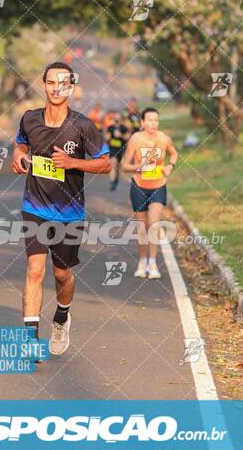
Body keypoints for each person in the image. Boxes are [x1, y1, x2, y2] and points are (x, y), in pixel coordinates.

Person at [12, 62, 111, 356]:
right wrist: (17, 156)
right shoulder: (29, 119)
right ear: (43, 85)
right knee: (34, 269)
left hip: (69, 213)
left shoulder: (82, 126)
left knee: (62, 275)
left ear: (70, 88)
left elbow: (105, 164)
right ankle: (30, 339)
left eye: (63, 83)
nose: (56, 88)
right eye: (51, 82)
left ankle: (62, 316)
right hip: (35, 206)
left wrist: (74, 163)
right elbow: (20, 145)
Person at [121, 107, 178, 279]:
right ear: (142, 122)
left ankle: (153, 262)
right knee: (142, 228)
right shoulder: (136, 139)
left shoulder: (164, 138)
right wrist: (140, 167)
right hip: (139, 186)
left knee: (154, 223)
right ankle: (142, 261)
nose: (153, 123)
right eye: (150, 120)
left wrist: (169, 166)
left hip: (158, 186)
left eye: (156, 120)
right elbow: (124, 165)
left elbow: (174, 154)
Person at [105, 111, 130, 191]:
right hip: (112, 150)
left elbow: (128, 137)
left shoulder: (124, 128)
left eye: (118, 118)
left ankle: (116, 180)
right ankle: (112, 182)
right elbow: (106, 137)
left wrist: (121, 135)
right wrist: (108, 137)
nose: (117, 119)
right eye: (116, 117)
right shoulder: (111, 127)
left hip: (121, 150)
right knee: (113, 164)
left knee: (118, 167)